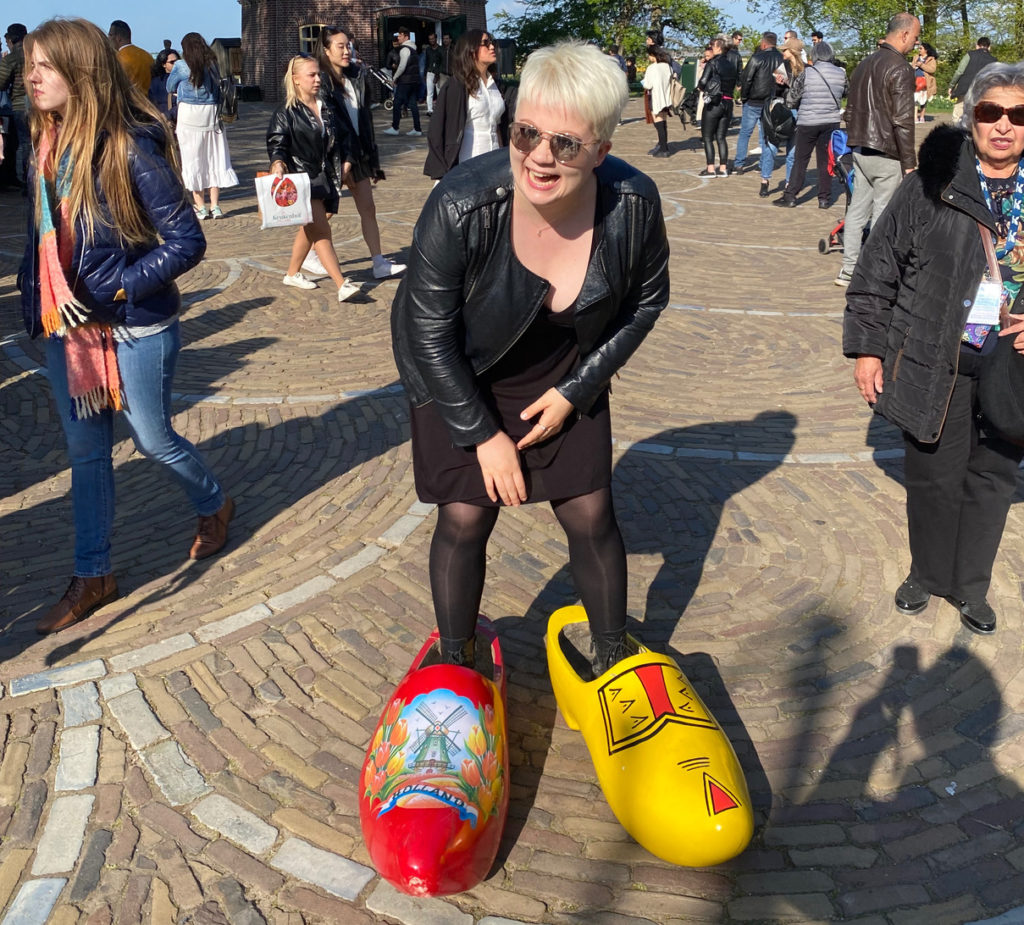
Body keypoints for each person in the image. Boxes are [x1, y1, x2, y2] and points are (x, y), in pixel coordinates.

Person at [391, 41, 669, 675]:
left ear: (601, 149)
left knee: (592, 510)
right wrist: (482, 434)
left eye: (566, 145)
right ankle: (455, 657)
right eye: (525, 134)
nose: (540, 156)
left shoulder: (633, 204)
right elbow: (426, 329)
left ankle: (614, 652)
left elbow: (646, 303)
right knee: (465, 517)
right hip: (459, 369)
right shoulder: (462, 203)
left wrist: (578, 387)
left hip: (561, 368)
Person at [19, 18, 233, 635]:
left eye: (45, 66)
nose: (31, 77)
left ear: (80, 72)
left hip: (135, 322)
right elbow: (43, 240)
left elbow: (186, 241)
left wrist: (122, 286)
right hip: (71, 325)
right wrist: (35, 298)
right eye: (29, 65)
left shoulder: (128, 145)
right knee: (86, 454)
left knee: (152, 439)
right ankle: (94, 575)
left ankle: (214, 500)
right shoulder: (44, 142)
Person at [843, 62, 1024, 637]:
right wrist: (868, 349)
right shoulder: (929, 183)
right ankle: (927, 573)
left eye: (1018, 115)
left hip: (1013, 362)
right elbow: (876, 271)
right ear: (970, 116)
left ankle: (970, 586)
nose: (1003, 125)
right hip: (933, 352)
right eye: (990, 111)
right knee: (931, 473)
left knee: (993, 474)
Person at [313, 26, 405, 281]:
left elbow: (364, 122)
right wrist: (342, 160)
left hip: (358, 154)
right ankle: (304, 258)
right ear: (326, 50)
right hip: (336, 157)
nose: (346, 51)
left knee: (368, 208)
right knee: (324, 213)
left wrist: (372, 161)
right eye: (340, 46)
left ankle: (378, 261)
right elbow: (332, 127)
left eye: (348, 46)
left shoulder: (357, 76)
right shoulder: (321, 81)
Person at [267, 54, 360, 302]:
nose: (318, 79)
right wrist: (277, 162)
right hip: (301, 181)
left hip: (325, 178)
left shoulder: (326, 107)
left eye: (319, 74)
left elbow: (344, 135)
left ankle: (292, 273)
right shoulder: (285, 112)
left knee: (310, 229)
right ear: (296, 79)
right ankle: (342, 284)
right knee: (321, 230)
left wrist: (348, 159)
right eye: (312, 75)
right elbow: (277, 143)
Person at [835, 12, 919, 287]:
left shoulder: (864, 63)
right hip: (886, 150)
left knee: (857, 210)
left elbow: (852, 105)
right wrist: (909, 161)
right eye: (915, 38)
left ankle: (848, 269)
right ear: (904, 34)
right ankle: (876, 274)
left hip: (860, 146)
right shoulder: (900, 67)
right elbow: (903, 120)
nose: (915, 44)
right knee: (884, 215)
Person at [166, 32, 239, 220]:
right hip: (211, 114)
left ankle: (200, 206)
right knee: (214, 158)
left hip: (189, 114)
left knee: (193, 160)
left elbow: (169, 87)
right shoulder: (211, 63)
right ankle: (215, 206)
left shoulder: (182, 66)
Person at [424, 30, 508, 181]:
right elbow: (437, 129)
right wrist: (442, 172)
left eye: (492, 43)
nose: (492, 47)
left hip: (495, 163)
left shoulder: (496, 86)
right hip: (467, 164)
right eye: (486, 43)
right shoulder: (456, 86)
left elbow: (497, 127)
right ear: (470, 50)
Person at [774, 41, 846, 208]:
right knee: (826, 160)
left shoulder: (808, 73)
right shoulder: (840, 73)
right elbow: (846, 92)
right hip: (831, 121)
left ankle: (791, 195)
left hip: (808, 121)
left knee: (801, 159)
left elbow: (791, 99)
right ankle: (824, 198)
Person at [732, 33, 784, 178]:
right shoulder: (781, 58)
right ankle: (763, 164)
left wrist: (744, 97)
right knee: (765, 134)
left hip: (754, 100)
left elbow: (747, 78)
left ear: (764, 44)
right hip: (772, 101)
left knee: (745, 133)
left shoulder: (757, 58)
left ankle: (739, 164)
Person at [698, 37, 738, 177]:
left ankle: (710, 169)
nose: (711, 48)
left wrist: (702, 87)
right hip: (728, 103)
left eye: (712, 46)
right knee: (721, 137)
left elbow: (703, 82)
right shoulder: (731, 65)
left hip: (714, 103)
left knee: (708, 137)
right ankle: (723, 168)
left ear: (719, 47)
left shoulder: (713, 63)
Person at [0, 24, 27, 188]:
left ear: (11, 39)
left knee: (23, 144)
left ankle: (27, 181)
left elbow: (1, 83)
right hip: (40, 106)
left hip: (18, 106)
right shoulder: (37, 54)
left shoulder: (12, 58)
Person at [383, 29, 422, 136]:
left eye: (400, 36)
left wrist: (394, 78)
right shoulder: (413, 49)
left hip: (405, 81)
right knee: (413, 104)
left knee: (396, 103)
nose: (398, 38)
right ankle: (417, 129)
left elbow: (402, 66)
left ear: (406, 37)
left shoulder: (404, 49)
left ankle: (395, 128)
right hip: (414, 80)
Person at [950, 37, 997, 122]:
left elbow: (959, 71)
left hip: (965, 88)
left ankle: (956, 132)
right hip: (982, 90)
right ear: (989, 47)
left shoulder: (970, 54)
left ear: (977, 46)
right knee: (976, 114)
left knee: (958, 112)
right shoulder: (994, 60)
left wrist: (952, 85)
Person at [641, 46, 674, 158]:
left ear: (653, 55)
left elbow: (648, 85)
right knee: (663, 121)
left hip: (656, 97)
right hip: (667, 97)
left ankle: (664, 148)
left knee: (658, 122)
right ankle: (664, 146)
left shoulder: (652, 68)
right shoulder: (667, 66)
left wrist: (644, 82)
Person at [108, 20, 152, 94]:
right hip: (147, 102)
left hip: (128, 101)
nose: (108, 38)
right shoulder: (147, 56)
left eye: (110, 35)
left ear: (118, 38)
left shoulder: (117, 59)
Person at [148, 48, 179, 123]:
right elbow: (151, 104)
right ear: (163, 64)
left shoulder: (183, 81)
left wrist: (168, 115)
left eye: (177, 62)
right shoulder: (155, 83)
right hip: (160, 123)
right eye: (172, 62)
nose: (176, 64)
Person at [912, 41, 938, 122]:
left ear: (926, 50)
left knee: (923, 99)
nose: (919, 50)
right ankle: (915, 117)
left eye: (921, 48)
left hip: (926, 82)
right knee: (915, 99)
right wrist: (914, 66)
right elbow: (912, 66)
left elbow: (932, 69)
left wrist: (921, 65)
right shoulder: (916, 57)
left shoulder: (931, 59)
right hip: (916, 80)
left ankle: (922, 117)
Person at [424, 32, 443, 114]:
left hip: (439, 73)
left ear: (436, 39)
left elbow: (442, 63)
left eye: (433, 39)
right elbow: (426, 61)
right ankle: (430, 109)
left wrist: (438, 74)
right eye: (430, 39)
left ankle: (440, 109)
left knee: (439, 92)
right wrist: (425, 73)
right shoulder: (428, 49)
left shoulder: (441, 49)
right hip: (430, 72)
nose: (431, 40)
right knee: (430, 92)